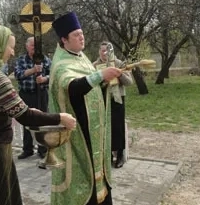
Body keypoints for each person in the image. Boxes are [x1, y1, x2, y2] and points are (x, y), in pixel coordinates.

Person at [0, 25, 76, 205]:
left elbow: (8, 107)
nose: (13, 52)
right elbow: (24, 116)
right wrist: (60, 117)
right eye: (10, 46)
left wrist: (29, 111)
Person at [49, 12, 122, 205]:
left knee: (100, 174)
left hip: (94, 130)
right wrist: (100, 75)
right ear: (64, 40)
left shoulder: (82, 58)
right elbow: (72, 87)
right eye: (76, 35)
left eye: (82, 33)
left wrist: (104, 81)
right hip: (78, 132)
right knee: (85, 177)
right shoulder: (61, 64)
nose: (82, 37)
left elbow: (91, 85)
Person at [93, 41, 133, 168]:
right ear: (99, 52)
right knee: (104, 127)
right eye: (102, 50)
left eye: (107, 50)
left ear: (111, 51)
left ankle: (120, 155)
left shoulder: (119, 63)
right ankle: (107, 155)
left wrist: (120, 74)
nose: (104, 53)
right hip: (101, 99)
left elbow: (129, 82)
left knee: (118, 127)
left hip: (117, 99)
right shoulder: (94, 65)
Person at [14, 36, 51, 160]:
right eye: (32, 45)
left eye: (36, 46)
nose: (34, 48)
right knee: (26, 120)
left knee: (42, 121)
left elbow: (54, 74)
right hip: (26, 93)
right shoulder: (21, 59)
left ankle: (43, 149)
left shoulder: (44, 59)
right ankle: (27, 149)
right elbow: (18, 75)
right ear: (27, 46)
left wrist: (45, 79)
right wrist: (33, 70)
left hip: (41, 93)